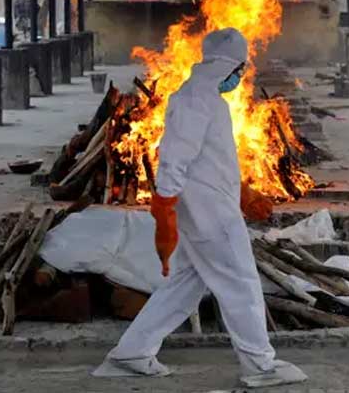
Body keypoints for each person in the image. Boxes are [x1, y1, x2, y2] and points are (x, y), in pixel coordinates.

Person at [93, 28, 308, 389]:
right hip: (210, 213)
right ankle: (260, 365)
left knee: (184, 286)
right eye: (241, 69)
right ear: (229, 66)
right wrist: (164, 206)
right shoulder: (198, 99)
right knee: (241, 283)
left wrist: (243, 193)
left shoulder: (205, 97)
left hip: (209, 206)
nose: (241, 77)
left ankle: (131, 353)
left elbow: (211, 159)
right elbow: (176, 157)